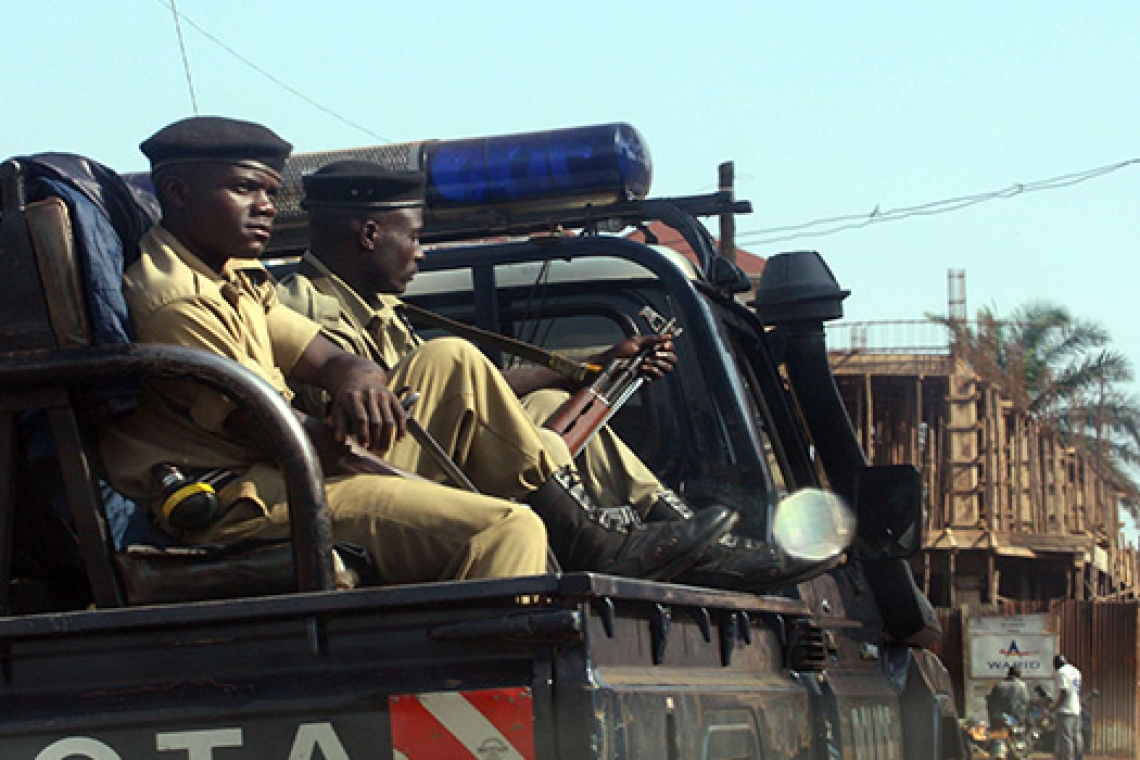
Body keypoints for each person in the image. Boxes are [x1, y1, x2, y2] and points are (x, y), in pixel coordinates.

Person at [100, 116, 732, 589]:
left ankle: (611, 532)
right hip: (252, 496)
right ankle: (499, 688)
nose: (267, 206)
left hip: (293, 463)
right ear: (177, 193)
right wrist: (365, 448)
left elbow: (318, 355)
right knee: (505, 527)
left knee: (450, 360)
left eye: (270, 191)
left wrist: (355, 373)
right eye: (245, 190)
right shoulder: (176, 299)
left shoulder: (233, 276)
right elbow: (273, 432)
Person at [276, 160, 796, 590]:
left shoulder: (382, 310)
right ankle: (591, 539)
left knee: (546, 409)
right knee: (452, 356)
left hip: (413, 464)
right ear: (369, 234)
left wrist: (586, 372)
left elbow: (474, 396)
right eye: (414, 237)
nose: (422, 251)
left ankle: (683, 536)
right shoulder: (296, 310)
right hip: (364, 481)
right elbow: (357, 424)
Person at [1052, 654, 1083, 760]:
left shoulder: (1061, 672)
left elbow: (1064, 692)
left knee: (1066, 739)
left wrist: (1054, 706)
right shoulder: (1076, 671)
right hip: (1076, 709)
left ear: (1056, 664)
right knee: (1076, 737)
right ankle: (1079, 757)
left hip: (1065, 710)